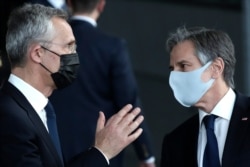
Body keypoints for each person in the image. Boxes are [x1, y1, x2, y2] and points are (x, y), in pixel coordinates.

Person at [0, 3, 144, 167]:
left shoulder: (40, 109)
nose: (74, 55)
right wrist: (102, 152)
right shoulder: (9, 117)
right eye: (68, 46)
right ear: (38, 53)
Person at [50, 0, 156, 167]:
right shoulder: (112, 47)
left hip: (53, 142)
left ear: (68, 2)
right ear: (101, 5)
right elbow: (129, 104)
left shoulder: (50, 43)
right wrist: (145, 154)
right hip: (100, 147)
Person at [160, 26, 250, 167]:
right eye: (172, 69)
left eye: (183, 66)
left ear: (216, 68)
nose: (174, 76)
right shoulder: (175, 142)